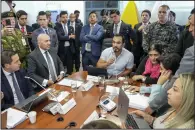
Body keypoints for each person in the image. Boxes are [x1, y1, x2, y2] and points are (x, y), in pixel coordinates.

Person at [144, 8, 195, 116]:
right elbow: (146, 43)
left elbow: (176, 81)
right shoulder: (152, 27)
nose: (190, 29)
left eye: (193, 25)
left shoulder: (191, 51)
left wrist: (153, 106)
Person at [54, 11, 75, 75]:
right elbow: (60, 37)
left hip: (69, 48)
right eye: (63, 17)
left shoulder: (70, 27)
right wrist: (69, 36)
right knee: (61, 64)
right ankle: (61, 77)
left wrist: (68, 37)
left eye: (66, 17)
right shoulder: (57, 27)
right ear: (60, 18)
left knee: (70, 64)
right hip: (61, 49)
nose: (65, 18)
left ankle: (70, 76)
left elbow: (73, 37)